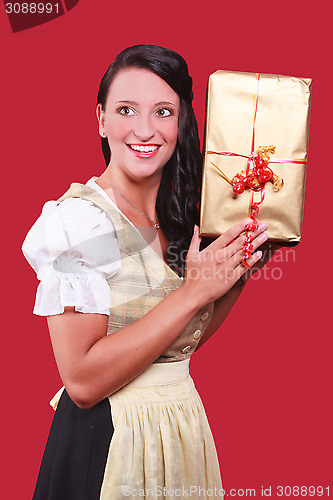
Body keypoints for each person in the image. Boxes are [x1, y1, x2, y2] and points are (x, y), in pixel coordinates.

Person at [22, 45, 271, 500]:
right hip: (110, 438)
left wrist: (235, 276)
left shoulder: (176, 219)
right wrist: (194, 292)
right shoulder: (81, 222)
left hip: (176, 428)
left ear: (181, 123)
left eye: (162, 111)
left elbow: (174, 347)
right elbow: (81, 380)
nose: (144, 129)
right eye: (125, 110)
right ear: (101, 120)